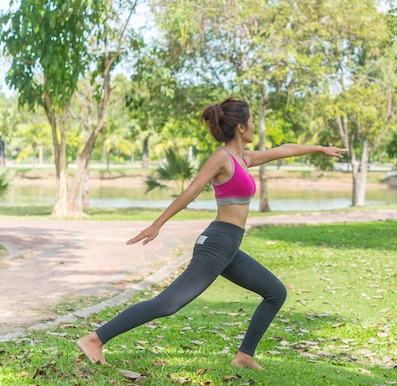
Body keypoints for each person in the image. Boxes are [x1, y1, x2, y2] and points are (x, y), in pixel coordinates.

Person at [76, 97, 347, 370]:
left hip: (229, 248)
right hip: (216, 244)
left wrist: (319, 148)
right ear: (241, 127)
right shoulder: (222, 157)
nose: (254, 125)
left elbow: (284, 150)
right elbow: (191, 191)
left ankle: (244, 356)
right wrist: (158, 224)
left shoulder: (245, 159)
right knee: (168, 304)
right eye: (251, 120)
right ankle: (96, 339)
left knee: (275, 292)